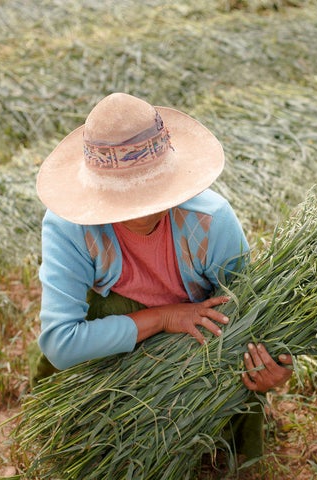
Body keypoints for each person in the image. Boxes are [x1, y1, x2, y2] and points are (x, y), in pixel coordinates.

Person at [32, 92, 293, 460]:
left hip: (194, 351)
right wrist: (164, 317)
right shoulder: (70, 227)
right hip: (114, 352)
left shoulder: (210, 222)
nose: (141, 206)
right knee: (81, 445)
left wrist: (275, 368)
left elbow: (253, 320)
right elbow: (61, 344)